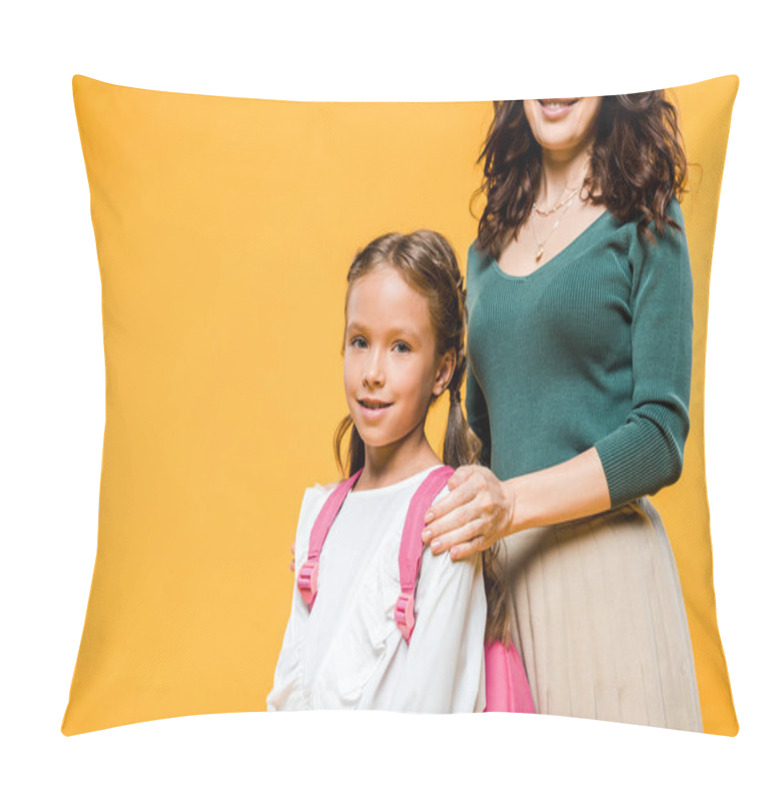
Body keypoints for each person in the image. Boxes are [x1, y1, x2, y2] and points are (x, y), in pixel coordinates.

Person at [421, 95, 704, 731]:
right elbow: (480, 448)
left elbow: (660, 437)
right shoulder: (486, 248)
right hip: (504, 592)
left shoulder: (647, 219)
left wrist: (512, 505)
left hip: (607, 586)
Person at [267, 230, 495, 712]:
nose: (373, 371)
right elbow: (290, 693)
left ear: (442, 371)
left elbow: (432, 707)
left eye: (401, 348)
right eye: (359, 341)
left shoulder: (447, 518)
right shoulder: (319, 514)